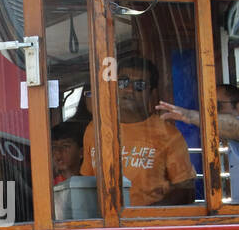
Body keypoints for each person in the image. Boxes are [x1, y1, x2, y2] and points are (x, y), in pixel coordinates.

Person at [81, 55, 195, 205]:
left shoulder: (168, 134)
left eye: (139, 85)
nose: (129, 90)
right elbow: (86, 183)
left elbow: (186, 191)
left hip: (148, 224)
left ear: (152, 93)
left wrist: (145, 217)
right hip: (105, 224)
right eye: (123, 82)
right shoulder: (94, 129)